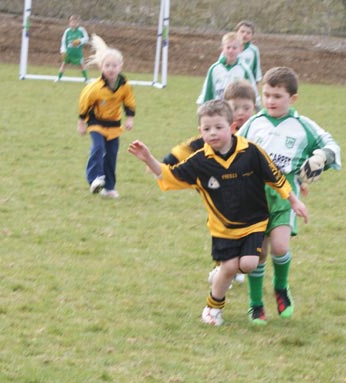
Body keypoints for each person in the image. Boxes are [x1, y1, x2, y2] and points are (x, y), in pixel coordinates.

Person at [128, 99, 308, 326]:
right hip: (222, 228)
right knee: (231, 267)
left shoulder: (251, 152)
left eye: (218, 127)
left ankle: (227, 276)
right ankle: (213, 307)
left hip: (254, 223)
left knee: (249, 264)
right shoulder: (199, 162)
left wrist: (294, 201)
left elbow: (275, 177)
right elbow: (170, 176)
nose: (213, 133)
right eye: (207, 129)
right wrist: (149, 159)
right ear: (200, 132)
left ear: (232, 127)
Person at [237, 67, 341, 325]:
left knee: (281, 247)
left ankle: (280, 288)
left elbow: (332, 146)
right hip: (253, 196)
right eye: (267, 95)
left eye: (277, 96)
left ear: (292, 98)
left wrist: (320, 157)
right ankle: (255, 304)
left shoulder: (302, 126)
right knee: (258, 253)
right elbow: (232, 149)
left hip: (284, 194)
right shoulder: (254, 123)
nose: (270, 101)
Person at [163, 80, 257, 286]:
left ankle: (236, 266)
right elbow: (190, 146)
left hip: (251, 196)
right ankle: (224, 267)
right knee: (224, 228)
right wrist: (168, 161)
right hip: (218, 192)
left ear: (255, 108)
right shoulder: (217, 132)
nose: (240, 112)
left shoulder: (258, 131)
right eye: (235, 108)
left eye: (246, 107)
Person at [78, 34, 135, 199]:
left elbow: (129, 102)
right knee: (98, 148)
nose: (111, 68)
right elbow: (84, 102)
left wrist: (130, 119)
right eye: (107, 65)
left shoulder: (124, 86)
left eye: (114, 65)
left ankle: (109, 187)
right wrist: (81, 122)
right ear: (101, 67)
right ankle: (94, 179)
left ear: (120, 67)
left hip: (114, 125)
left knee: (111, 155)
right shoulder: (95, 88)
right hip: (95, 123)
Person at [196, 32, 260, 109]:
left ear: (240, 49)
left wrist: (257, 107)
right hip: (218, 110)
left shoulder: (244, 69)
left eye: (234, 48)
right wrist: (202, 106)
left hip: (237, 111)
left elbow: (252, 90)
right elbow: (207, 90)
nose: (231, 51)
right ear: (223, 48)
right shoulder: (214, 69)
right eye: (228, 47)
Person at [57, 15, 89, 82]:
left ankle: (86, 79)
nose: (73, 24)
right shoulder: (67, 31)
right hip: (69, 52)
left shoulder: (81, 30)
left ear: (77, 23)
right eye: (72, 22)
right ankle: (58, 78)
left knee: (82, 65)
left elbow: (86, 38)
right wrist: (63, 51)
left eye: (75, 22)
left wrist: (79, 41)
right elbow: (63, 42)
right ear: (69, 23)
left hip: (77, 52)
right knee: (63, 64)